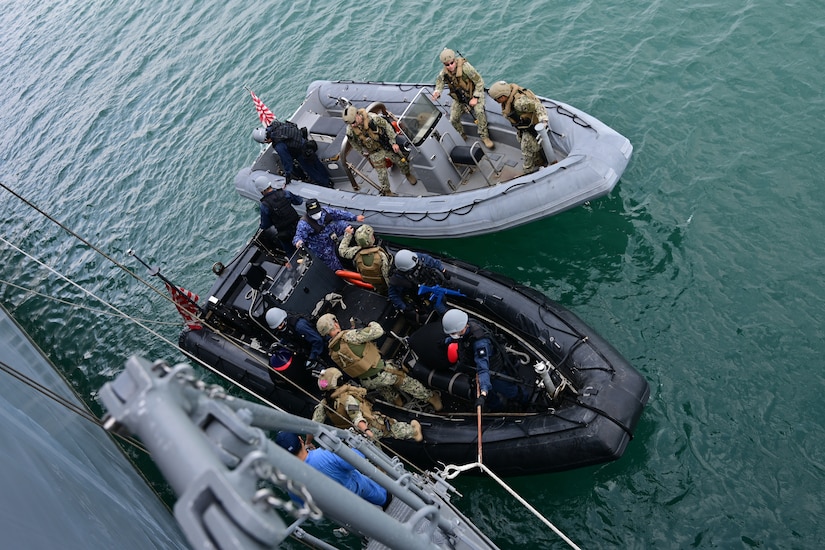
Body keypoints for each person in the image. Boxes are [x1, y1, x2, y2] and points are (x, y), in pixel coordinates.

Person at [315, 313, 442, 410]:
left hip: (367, 381)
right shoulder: (349, 336)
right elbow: (378, 331)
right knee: (404, 380)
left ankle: (399, 403)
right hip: (382, 371)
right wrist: (371, 324)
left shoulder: (332, 352)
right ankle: (432, 399)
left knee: (387, 391)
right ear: (334, 323)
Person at [274, 431, 392, 508]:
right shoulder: (323, 454)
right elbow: (356, 461)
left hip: (342, 509)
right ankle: (386, 500)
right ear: (300, 440)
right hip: (356, 488)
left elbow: (304, 505)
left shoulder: (291, 481)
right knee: (382, 495)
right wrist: (357, 446)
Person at [441, 308, 525, 411]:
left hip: (492, 371)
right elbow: (459, 338)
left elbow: (483, 368)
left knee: (509, 391)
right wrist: (445, 342)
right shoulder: (466, 326)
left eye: (456, 332)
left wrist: (483, 392)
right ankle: (498, 409)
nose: (455, 335)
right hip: (473, 368)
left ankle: (524, 402)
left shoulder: (480, 343)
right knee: (491, 400)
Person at [311, 367, 423, 442]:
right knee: (394, 427)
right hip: (369, 427)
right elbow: (356, 417)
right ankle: (414, 432)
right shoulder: (347, 398)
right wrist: (367, 431)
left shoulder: (324, 403)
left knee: (376, 457)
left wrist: (308, 442)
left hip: (353, 438)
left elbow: (313, 425)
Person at [343, 106, 417, 196]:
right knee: (382, 174)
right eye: (351, 124)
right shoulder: (351, 131)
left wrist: (393, 143)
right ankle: (387, 191)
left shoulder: (373, 118)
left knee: (401, 161)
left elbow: (387, 127)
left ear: (358, 115)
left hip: (386, 144)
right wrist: (362, 152)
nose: (353, 125)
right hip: (374, 151)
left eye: (354, 122)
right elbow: (354, 143)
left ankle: (407, 174)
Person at [432, 48, 494, 149]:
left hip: (473, 93)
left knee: (479, 112)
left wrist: (475, 97)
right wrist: (437, 92)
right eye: (447, 65)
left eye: (452, 63)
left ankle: (484, 136)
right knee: (453, 118)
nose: (450, 66)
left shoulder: (466, 68)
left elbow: (479, 81)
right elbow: (440, 82)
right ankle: (461, 134)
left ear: (455, 60)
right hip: (460, 98)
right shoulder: (444, 73)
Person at [488, 80, 550, 175]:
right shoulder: (510, 98)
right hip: (524, 127)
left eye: (496, 99)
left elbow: (537, 106)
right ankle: (539, 161)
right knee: (521, 140)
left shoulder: (519, 103)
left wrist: (543, 121)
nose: (496, 102)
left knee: (526, 148)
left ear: (503, 96)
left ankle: (528, 170)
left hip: (532, 127)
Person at [253, 121, 332, 187]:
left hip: (302, 154)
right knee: (317, 163)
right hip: (306, 144)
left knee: (312, 171)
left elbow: (287, 161)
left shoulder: (279, 145)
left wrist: (288, 175)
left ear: (265, 140)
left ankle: (325, 184)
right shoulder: (275, 125)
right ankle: (328, 179)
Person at [293, 199, 365, 271]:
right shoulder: (304, 224)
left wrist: (355, 217)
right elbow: (298, 236)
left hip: (331, 232)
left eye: (317, 212)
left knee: (345, 226)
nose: (316, 215)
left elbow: (339, 214)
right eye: (313, 213)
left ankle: (361, 246)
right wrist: (298, 242)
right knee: (333, 263)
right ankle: (341, 272)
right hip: (321, 245)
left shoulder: (326, 211)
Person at [388, 249, 451, 317]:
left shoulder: (415, 257)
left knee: (443, 298)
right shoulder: (398, 279)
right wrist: (404, 307)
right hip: (425, 296)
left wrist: (443, 270)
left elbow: (430, 260)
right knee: (441, 310)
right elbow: (393, 295)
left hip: (433, 285)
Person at [255, 175, 303, 253]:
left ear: (261, 191)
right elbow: (299, 201)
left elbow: (266, 225)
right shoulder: (284, 193)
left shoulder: (264, 206)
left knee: (290, 252)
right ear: (270, 185)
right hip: (298, 226)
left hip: (285, 234)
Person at [337, 224, 391, 294]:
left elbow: (342, 251)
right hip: (381, 282)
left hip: (370, 280)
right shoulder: (381, 255)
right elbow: (386, 275)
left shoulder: (355, 252)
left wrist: (348, 235)